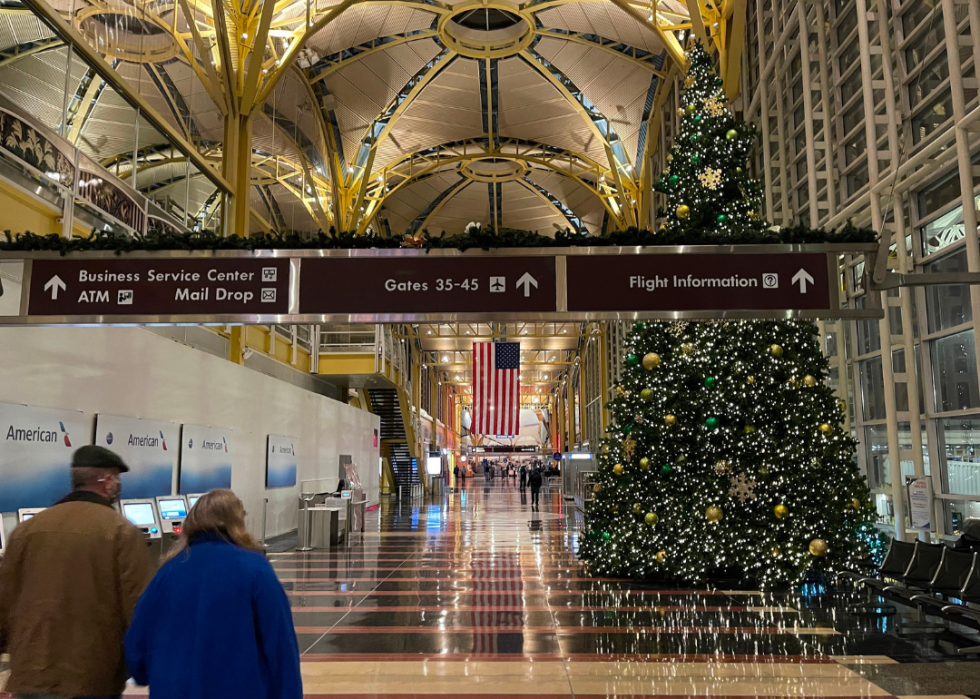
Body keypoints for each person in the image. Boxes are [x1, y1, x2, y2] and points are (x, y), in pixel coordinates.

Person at [0, 445, 152, 699]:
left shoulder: (27, 530)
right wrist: (145, 663)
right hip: (90, 674)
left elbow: (5, 599)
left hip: (31, 670)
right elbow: (139, 607)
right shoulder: (120, 532)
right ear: (105, 480)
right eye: (116, 477)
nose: (118, 484)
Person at [125, 489, 302, 699]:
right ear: (237, 522)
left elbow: (137, 642)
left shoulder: (167, 572)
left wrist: (150, 673)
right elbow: (281, 647)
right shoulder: (256, 570)